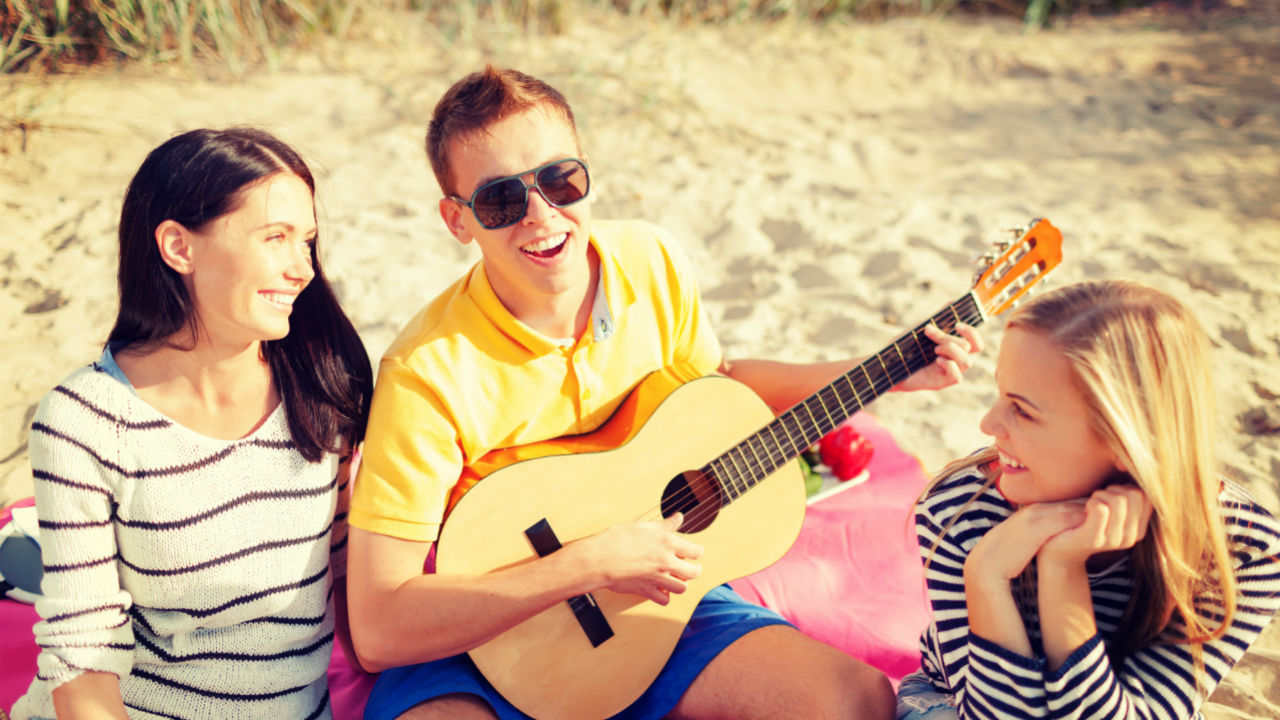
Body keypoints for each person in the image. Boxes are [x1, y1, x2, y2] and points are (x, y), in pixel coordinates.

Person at [346, 66, 983, 720]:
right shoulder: (426, 371)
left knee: (850, 700)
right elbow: (379, 627)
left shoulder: (649, 263)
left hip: (655, 616)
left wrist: (883, 372)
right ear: (457, 221)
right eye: (501, 201)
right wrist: (586, 566)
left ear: (587, 172)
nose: (542, 216)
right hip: (486, 639)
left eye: (561, 180)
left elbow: (717, 394)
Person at [11, 127, 373, 720]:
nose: (301, 268)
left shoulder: (323, 388)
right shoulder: (86, 420)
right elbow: (83, 662)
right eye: (274, 238)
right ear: (179, 247)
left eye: (306, 240)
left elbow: (346, 570)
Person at [899, 280, 1280, 720]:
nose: (989, 424)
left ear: (1128, 439)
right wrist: (986, 575)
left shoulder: (1244, 548)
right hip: (954, 704)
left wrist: (1063, 568)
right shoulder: (958, 508)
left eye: (1022, 409)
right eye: (999, 394)